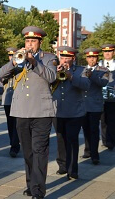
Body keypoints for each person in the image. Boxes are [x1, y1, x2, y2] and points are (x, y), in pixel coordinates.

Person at [0, 26, 57, 199]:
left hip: (41, 111)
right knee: (27, 151)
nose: (29, 44)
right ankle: (31, 184)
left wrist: (34, 62)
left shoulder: (48, 58)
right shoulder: (18, 57)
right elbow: (1, 74)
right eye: (27, 41)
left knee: (39, 150)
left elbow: (52, 77)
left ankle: (38, 191)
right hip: (22, 110)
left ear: (40, 42)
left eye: (33, 41)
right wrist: (14, 62)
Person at [52, 46, 90, 181]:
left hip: (75, 112)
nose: (64, 60)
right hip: (58, 111)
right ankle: (62, 165)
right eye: (62, 57)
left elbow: (86, 85)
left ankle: (73, 169)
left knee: (72, 139)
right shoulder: (54, 70)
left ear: (73, 59)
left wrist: (71, 77)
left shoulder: (81, 71)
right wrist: (54, 75)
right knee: (60, 138)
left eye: (67, 58)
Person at [81, 48, 109, 164]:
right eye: (89, 57)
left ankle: (95, 154)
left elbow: (103, 83)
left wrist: (92, 76)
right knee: (85, 129)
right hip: (83, 105)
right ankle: (87, 150)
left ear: (97, 58)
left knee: (93, 130)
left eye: (94, 57)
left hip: (95, 105)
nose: (91, 59)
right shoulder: (81, 69)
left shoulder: (103, 70)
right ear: (86, 58)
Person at [1, 47, 20, 158]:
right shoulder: (6, 68)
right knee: (10, 124)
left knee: (17, 124)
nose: (11, 58)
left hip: (18, 99)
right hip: (8, 99)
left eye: (13, 56)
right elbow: (1, 77)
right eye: (9, 55)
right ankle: (13, 143)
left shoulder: (21, 67)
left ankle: (15, 146)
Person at [98, 43, 115, 150]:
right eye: (105, 52)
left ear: (113, 52)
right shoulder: (99, 65)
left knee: (112, 120)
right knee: (103, 120)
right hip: (100, 97)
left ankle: (111, 141)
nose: (107, 53)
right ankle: (105, 140)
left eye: (109, 51)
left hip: (113, 98)